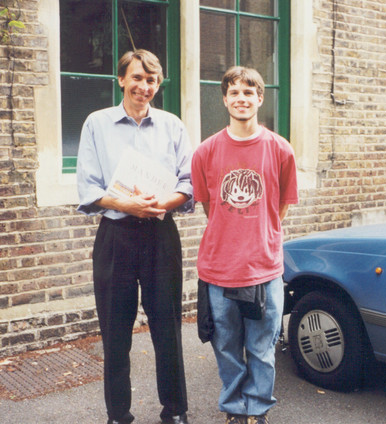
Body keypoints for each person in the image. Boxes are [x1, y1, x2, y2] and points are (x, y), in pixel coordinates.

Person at [76, 49, 191, 424]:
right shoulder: (96, 123)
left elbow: (188, 184)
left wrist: (161, 202)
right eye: (137, 78)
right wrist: (129, 205)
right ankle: (117, 414)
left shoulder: (173, 125)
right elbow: (89, 190)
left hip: (160, 234)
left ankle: (174, 410)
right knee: (115, 331)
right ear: (121, 79)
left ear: (159, 85)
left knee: (167, 326)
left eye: (152, 80)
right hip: (116, 237)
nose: (145, 86)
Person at [191, 66, 298, 424]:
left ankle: (259, 408)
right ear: (224, 99)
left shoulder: (280, 150)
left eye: (248, 93)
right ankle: (235, 410)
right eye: (234, 92)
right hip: (219, 266)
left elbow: (280, 206)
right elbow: (209, 205)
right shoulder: (205, 152)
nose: (241, 99)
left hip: (264, 267)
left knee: (262, 347)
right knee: (226, 346)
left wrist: (259, 234)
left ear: (260, 99)